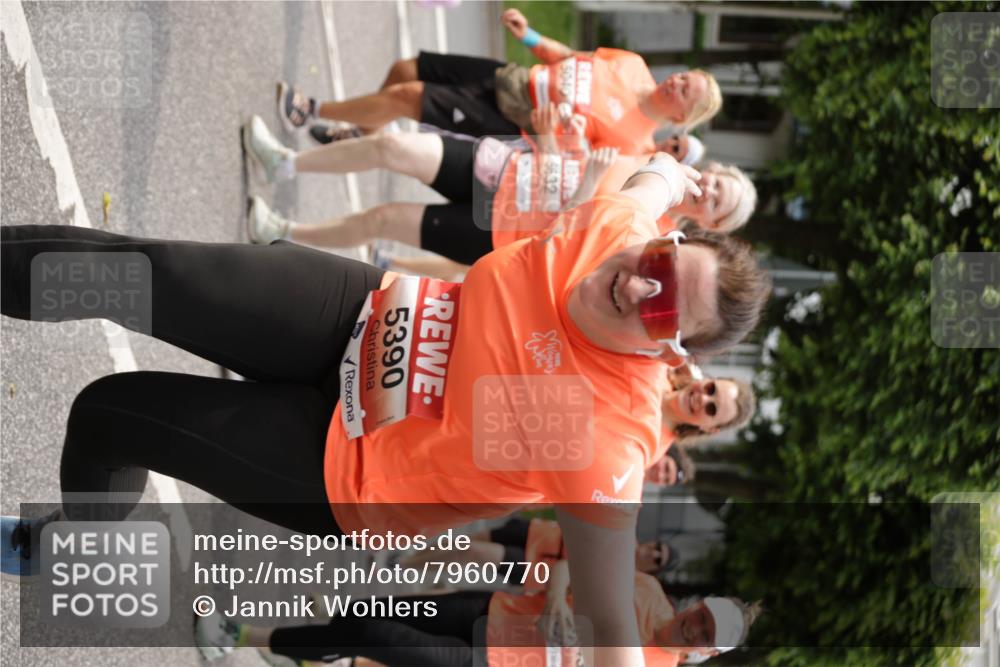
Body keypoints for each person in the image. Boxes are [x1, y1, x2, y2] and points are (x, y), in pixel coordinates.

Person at [1, 153, 770, 666]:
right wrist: (674, 173)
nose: (638, 286)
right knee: (150, 273)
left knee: (110, 414)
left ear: (670, 356)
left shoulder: (609, 437)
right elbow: (651, 176)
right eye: (660, 263)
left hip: (347, 468)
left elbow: (611, 626)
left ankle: (68, 539)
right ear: (666, 240)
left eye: (663, 311)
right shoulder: (616, 230)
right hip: (363, 315)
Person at [241, 111, 755, 264]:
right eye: (718, 182)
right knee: (394, 147)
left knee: (383, 220)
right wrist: (558, 135)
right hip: (505, 170)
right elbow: (571, 155)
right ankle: (284, 163)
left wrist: (590, 180)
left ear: (710, 223)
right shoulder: (653, 160)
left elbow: (569, 243)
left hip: (497, 231)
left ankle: (281, 230)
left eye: (717, 202)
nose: (709, 190)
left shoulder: (651, 231)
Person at [276, 9, 722, 153]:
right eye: (684, 76)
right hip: (513, 77)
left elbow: (573, 162)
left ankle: (309, 110)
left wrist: (554, 134)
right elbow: (570, 57)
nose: (677, 82)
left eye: (686, 91)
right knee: (405, 71)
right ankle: (360, 130)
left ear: (683, 116)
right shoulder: (633, 64)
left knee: (407, 97)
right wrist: (528, 35)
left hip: (511, 118)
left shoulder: (634, 143)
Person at [194, 567, 761, 667]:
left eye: (707, 636)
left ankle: (241, 636)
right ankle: (310, 644)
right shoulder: (647, 589)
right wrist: (557, 599)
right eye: (704, 616)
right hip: (490, 609)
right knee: (373, 613)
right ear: (698, 606)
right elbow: (566, 566)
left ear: (706, 653)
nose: (696, 627)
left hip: (488, 663)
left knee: (374, 635)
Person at [398, 516, 680, 592]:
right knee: (468, 542)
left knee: (475, 552)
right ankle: (414, 558)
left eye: (658, 560)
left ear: (653, 570)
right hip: (540, 532)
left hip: (538, 567)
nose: (652, 553)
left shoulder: (619, 581)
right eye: (658, 547)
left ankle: (406, 564)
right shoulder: (625, 531)